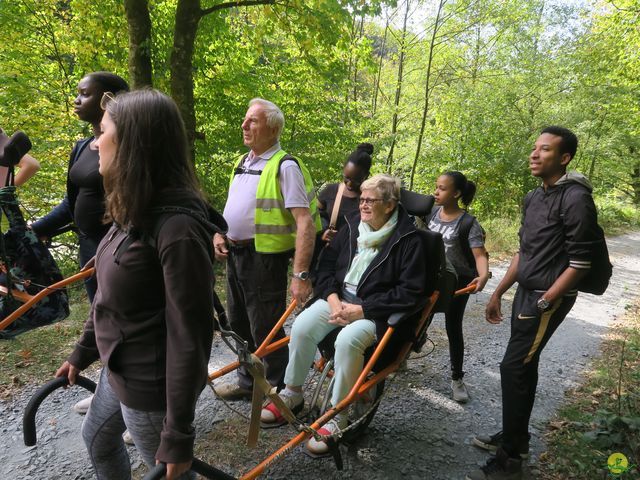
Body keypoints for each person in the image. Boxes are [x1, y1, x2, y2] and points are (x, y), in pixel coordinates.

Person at [55, 89, 226, 480]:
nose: (95, 142)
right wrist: (82, 353)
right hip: (118, 369)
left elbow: (191, 337)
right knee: (97, 439)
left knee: (170, 474)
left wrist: (178, 433)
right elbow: (106, 298)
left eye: (104, 131)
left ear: (133, 143)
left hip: (151, 389)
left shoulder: (176, 229)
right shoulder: (134, 208)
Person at [260, 174, 431, 455]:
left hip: (375, 312)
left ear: (389, 206)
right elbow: (325, 266)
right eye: (361, 199)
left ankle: (337, 417)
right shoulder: (352, 225)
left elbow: (410, 293)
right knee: (302, 325)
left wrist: (362, 310)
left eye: (370, 200)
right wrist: (333, 299)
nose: (362, 205)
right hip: (338, 299)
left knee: (347, 341)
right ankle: (292, 394)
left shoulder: (409, 240)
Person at [466, 127, 601, 480]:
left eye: (545, 150)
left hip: (546, 298)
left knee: (513, 367)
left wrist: (547, 300)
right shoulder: (533, 197)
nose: (534, 155)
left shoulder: (575, 198)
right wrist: (498, 292)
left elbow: (580, 262)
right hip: (526, 292)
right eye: (534, 149)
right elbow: (524, 252)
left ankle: (510, 457)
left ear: (565, 158)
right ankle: (517, 438)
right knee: (523, 366)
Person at [213, 98, 321, 400]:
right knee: (238, 323)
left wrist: (301, 274)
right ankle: (248, 382)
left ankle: (275, 388)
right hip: (234, 256)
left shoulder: (285, 166)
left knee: (266, 327)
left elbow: (305, 223)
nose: (244, 125)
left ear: (272, 128)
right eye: (246, 120)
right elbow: (232, 209)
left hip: (264, 260)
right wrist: (219, 233)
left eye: (253, 121)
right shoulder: (242, 162)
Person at [31, 72, 129, 303]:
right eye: (77, 93)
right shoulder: (81, 147)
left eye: (85, 94)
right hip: (88, 247)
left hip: (120, 247)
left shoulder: (129, 148)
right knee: (99, 313)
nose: (76, 100)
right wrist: (34, 230)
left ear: (110, 99)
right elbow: (72, 202)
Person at [428, 171, 489, 403]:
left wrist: (482, 276)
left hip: (457, 282)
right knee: (418, 319)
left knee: (453, 326)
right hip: (431, 278)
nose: (436, 192)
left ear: (456, 193)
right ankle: (404, 355)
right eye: (436, 186)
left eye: (442, 188)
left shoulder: (468, 224)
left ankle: (457, 378)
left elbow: (479, 254)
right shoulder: (431, 213)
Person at [317, 143, 373, 244]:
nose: (350, 184)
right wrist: (324, 230)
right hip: (327, 251)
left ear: (366, 175)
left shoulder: (371, 199)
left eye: (356, 180)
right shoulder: (330, 191)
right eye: (347, 178)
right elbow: (316, 214)